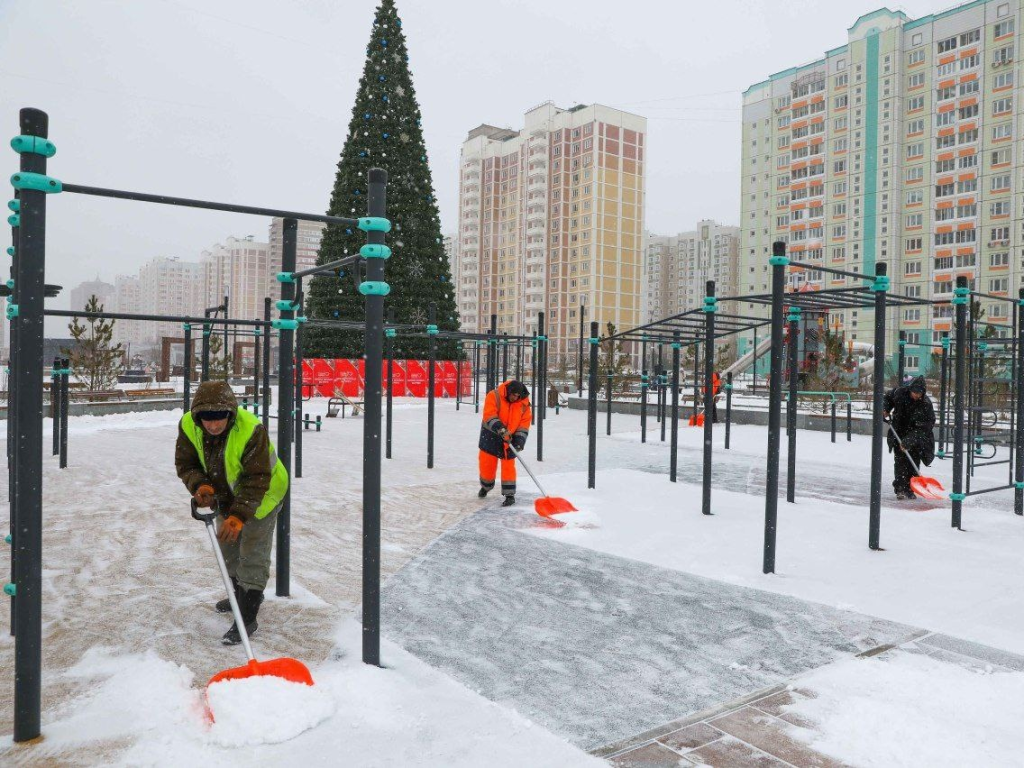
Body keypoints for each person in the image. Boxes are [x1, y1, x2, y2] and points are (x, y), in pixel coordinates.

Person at [175, 380, 289, 645]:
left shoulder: (251, 430)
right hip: (225, 495)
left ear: (230, 413)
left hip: (264, 495)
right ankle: (239, 594)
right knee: (228, 549)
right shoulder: (189, 426)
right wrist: (200, 484)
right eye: (207, 419)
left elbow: (256, 479)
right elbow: (186, 462)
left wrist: (239, 516)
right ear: (197, 415)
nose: (213, 425)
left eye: (219, 418)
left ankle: (247, 615)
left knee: (252, 552)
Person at [478, 379, 532, 507]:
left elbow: (524, 424)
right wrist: (501, 429)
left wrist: (519, 440)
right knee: (487, 466)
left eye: (518, 396)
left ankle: (509, 495)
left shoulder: (524, 404)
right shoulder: (494, 395)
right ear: (508, 392)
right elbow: (489, 414)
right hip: (491, 435)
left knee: (509, 467)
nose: (515, 398)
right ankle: (486, 487)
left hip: (510, 439)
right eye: (513, 395)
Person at [883, 375, 935, 500]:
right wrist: (885, 408)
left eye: (919, 393)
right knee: (900, 461)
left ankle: (911, 488)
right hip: (899, 432)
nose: (916, 395)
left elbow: (925, 427)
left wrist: (909, 440)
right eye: (914, 392)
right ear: (910, 389)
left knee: (913, 462)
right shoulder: (900, 393)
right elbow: (887, 398)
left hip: (916, 437)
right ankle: (900, 488)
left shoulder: (925, 405)